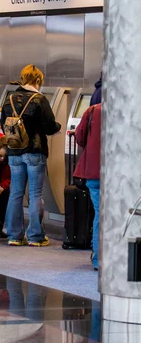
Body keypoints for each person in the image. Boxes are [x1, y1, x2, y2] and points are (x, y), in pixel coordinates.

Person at [1, 64, 61, 247]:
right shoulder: (39, 99)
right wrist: (57, 128)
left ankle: (14, 236)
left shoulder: (9, 98)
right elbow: (50, 125)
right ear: (37, 81)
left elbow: (3, 123)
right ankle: (35, 237)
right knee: (35, 194)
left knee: (16, 194)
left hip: (14, 152)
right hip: (34, 152)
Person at [74, 103, 101, 271]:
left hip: (93, 171)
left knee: (100, 214)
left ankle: (99, 259)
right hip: (121, 174)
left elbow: (80, 136)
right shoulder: (128, 107)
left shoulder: (92, 110)